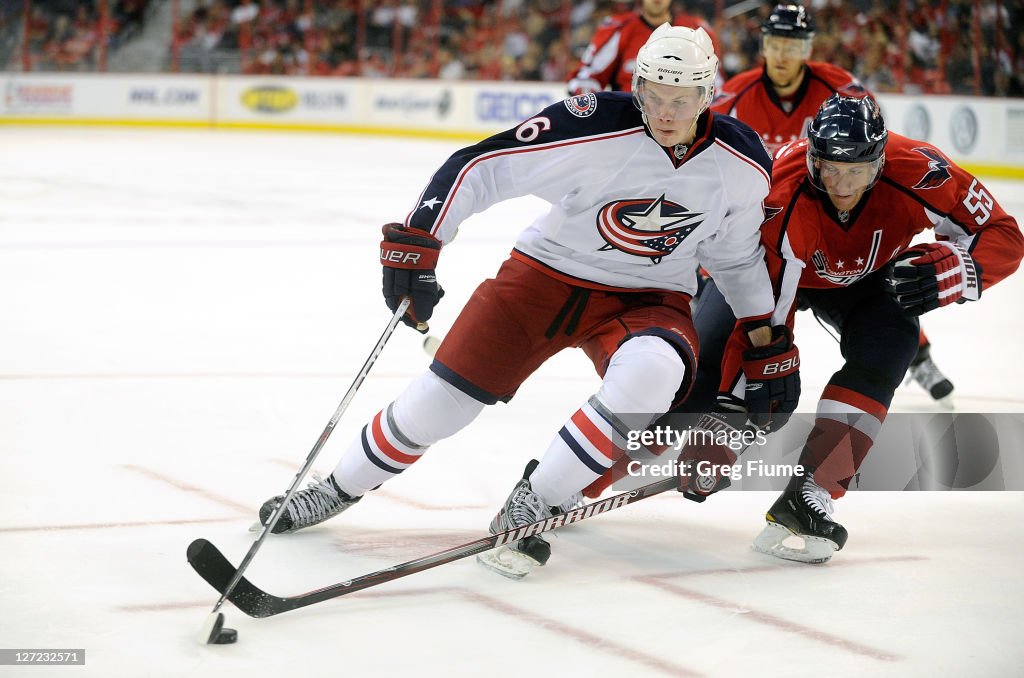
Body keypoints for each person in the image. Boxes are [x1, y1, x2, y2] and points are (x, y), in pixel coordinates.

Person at [257, 24, 800, 579]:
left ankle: (536, 500)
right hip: (544, 276)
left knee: (654, 374)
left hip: (650, 299)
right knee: (440, 404)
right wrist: (421, 243)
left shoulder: (741, 161)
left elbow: (735, 258)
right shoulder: (593, 122)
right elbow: (480, 166)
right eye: (654, 95)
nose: (663, 112)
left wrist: (764, 334)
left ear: (708, 93)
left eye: (680, 100)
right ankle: (338, 488)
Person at [698, 95, 1023, 563]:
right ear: (811, 157)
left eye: (857, 171)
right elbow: (760, 310)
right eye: (829, 169)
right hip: (769, 281)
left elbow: (1004, 233)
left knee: (892, 341)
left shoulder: (921, 170)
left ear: (881, 160)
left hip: (863, 280)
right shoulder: (779, 197)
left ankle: (810, 491)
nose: (841, 185)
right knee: (697, 377)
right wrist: (729, 420)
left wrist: (965, 268)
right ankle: (582, 471)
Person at [710, 2, 955, 405]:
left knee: (879, 290)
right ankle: (719, 400)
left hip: (830, 217)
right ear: (764, 46)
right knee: (735, 314)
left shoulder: (844, 91)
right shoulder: (733, 97)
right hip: (763, 233)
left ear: (808, 48)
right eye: (776, 43)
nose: (784, 55)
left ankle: (918, 357)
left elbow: (874, 150)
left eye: (794, 45)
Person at [567, 0, 718, 95]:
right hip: (628, 124)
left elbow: (715, 83)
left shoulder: (698, 31)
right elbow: (586, 77)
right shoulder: (619, 29)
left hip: (683, 125)